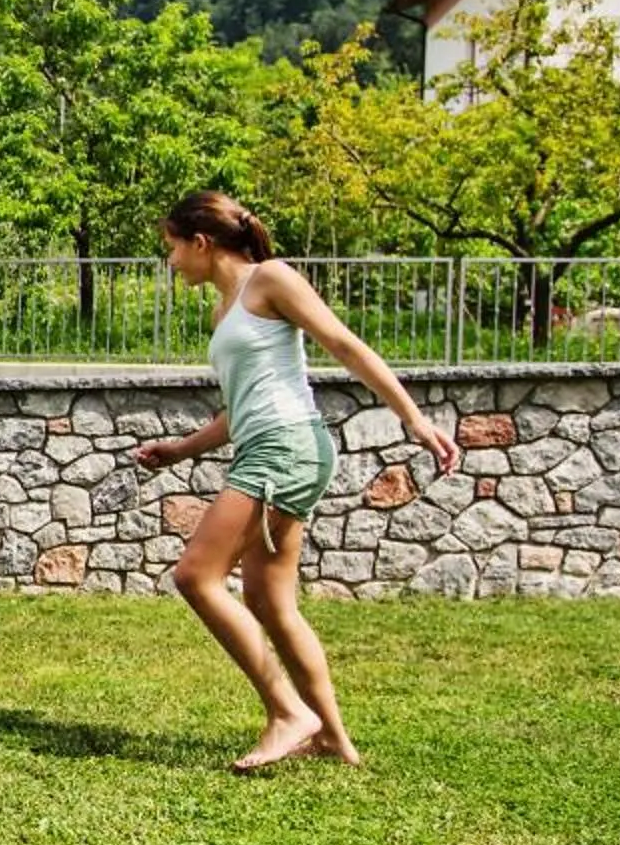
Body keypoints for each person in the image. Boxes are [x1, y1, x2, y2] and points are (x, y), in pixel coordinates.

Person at [132, 192, 459, 771]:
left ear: (201, 243)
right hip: (272, 445)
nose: (171, 262)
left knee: (195, 576)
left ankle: (288, 713)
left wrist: (413, 417)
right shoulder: (223, 309)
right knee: (268, 600)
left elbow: (343, 345)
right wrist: (181, 449)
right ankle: (332, 736)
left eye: (172, 248)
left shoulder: (271, 279)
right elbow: (238, 410)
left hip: (285, 447)